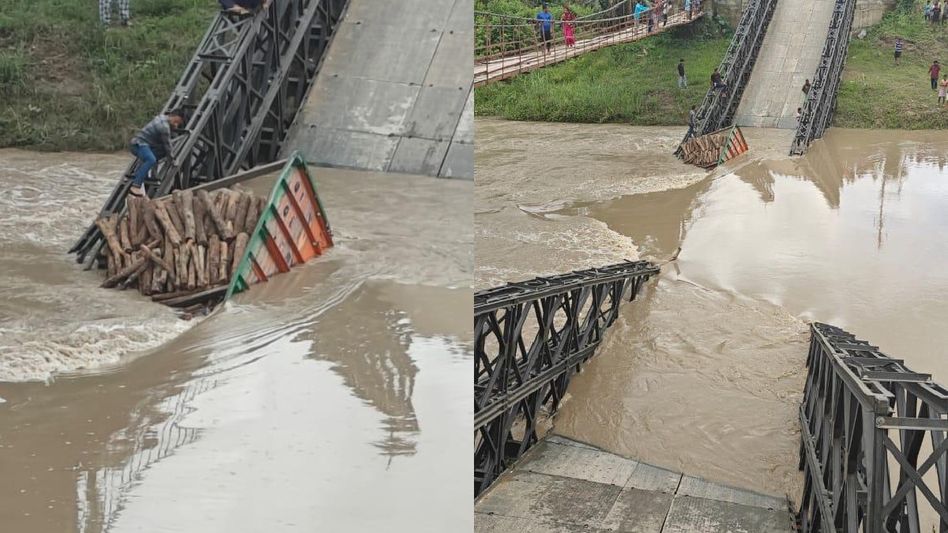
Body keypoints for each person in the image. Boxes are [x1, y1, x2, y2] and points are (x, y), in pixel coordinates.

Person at [128, 109, 186, 197]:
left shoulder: (161, 117)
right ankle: (136, 186)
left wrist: (173, 126)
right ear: (175, 116)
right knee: (151, 159)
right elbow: (168, 146)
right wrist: (173, 159)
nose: (176, 124)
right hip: (138, 144)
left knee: (158, 153)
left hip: (145, 145)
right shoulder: (164, 127)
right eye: (177, 121)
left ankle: (140, 171)